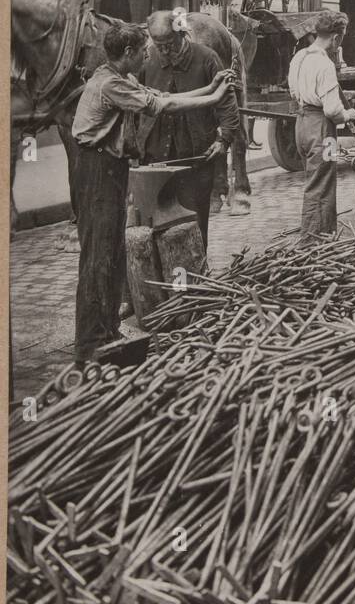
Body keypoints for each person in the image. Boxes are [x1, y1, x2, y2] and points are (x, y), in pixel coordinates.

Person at [71, 24, 235, 360]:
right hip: (96, 170)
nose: (149, 54)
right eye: (144, 49)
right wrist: (215, 98)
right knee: (97, 255)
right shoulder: (109, 83)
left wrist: (211, 86)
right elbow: (163, 108)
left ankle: (107, 331)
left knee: (113, 253)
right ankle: (89, 343)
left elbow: (162, 97)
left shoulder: (119, 76)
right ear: (129, 53)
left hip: (111, 168)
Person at [138, 10, 241, 246]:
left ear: (182, 33)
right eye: (159, 45)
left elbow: (227, 103)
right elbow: (138, 108)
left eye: (169, 44)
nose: (164, 51)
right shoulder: (148, 59)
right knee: (156, 225)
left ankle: (194, 275)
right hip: (156, 157)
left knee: (194, 224)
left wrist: (223, 139)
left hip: (195, 156)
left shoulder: (207, 58)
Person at [288, 10, 355, 240]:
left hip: (301, 124)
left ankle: (320, 236)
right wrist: (348, 114)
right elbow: (332, 110)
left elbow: (293, 91)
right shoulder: (325, 65)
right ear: (336, 38)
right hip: (323, 131)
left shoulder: (299, 57)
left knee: (314, 182)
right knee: (322, 186)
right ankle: (314, 241)